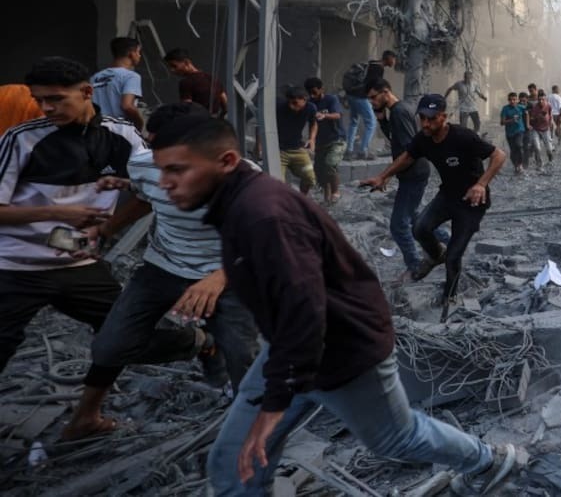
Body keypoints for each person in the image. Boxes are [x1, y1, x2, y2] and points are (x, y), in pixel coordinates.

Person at [149, 116, 524, 495]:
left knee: (395, 438)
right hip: (293, 350)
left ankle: (488, 460)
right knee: (233, 462)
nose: (165, 183)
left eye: (177, 170)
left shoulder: (264, 216)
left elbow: (306, 311)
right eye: (161, 170)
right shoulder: (239, 206)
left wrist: (273, 408)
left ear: (227, 161)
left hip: (345, 350)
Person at [0, 56, 196, 441]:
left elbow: (151, 189)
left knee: (126, 337)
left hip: (79, 265)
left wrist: (109, 227)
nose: (47, 108)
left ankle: (89, 415)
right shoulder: (20, 138)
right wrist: (58, 212)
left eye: (56, 99)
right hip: (15, 267)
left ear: (88, 93)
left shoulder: (121, 137)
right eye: (41, 100)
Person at [79, 102, 258, 421]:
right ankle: (200, 342)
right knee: (108, 347)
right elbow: (145, 199)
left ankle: (246, 426)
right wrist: (107, 228)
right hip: (161, 268)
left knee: (242, 357)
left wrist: (219, 278)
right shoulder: (144, 164)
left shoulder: (241, 176)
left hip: (226, 273)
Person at [359, 95, 506, 314]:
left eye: (432, 119)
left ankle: (450, 297)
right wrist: (383, 176)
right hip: (447, 195)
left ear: (443, 117)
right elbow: (407, 157)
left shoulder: (463, 136)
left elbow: (499, 155)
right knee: (419, 227)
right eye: (422, 119)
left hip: (472, 202)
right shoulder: (423, 138)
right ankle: (436, 254)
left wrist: (481, 184)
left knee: (454, 256)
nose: (426, 124)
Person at [366, 79, 433, 280]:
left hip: (414, 173)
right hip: (412, 173)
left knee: (398, 225)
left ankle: (415, 267)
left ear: (386, 92)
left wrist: (384, 175)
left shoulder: (399, 111)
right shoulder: (397, 111)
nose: (371, 102)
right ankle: (448, 241)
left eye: (373, 97)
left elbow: (408, 151)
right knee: (415, 218)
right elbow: (396, 138)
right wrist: (381, 120)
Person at [344, 50, 397, 160]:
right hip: (361, 97)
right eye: (394, 59)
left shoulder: (372, 63)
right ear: (389, 58)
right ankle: (363, 151)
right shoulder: (379, 68)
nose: (394, 62)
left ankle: (349, 151)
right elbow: (373, 86)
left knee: (353, 122)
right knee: (371, 122)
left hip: (351, 94)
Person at [90, 36, 146, 131]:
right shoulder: (131, 76)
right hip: (119, 130)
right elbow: (127, 106)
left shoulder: (95, 77)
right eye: (138, 52)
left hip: (96, 128)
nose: (139, 56)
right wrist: (139, 125)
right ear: (131, 54)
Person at [305, 78, 345, 204]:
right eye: (310, 93)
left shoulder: (331, 99)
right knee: (319, 171)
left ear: (321, 89)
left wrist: (325, 115)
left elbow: (338, 115)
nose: (312, 95)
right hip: (320, 142)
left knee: (330, 164)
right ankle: (327, 198)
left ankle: (336, 192)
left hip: (337, 139)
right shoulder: (309, 103)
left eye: (314, 92)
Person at [274, 88, 317, 196]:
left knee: (310, 177)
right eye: (289, 102)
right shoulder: (279, 107)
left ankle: (302, 199)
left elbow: (314, 123)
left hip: (297, 149)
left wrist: (312, 139)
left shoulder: (310, 108)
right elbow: (261, 125)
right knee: (278, 184)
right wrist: (259, 146)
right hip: (278, 150)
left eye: (295, 103)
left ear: (304, 100)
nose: (291, 106)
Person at [164, 48, 227, 116]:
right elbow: (224, 101)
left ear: (186, 62)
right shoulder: (212, 78)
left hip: (200, 122)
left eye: (174, 66)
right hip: (215, 121)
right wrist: (221, 116)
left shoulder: (186, 83)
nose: (172, 70)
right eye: (170, 67)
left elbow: (186, 108)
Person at [525, 83, 554, 169]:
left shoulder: (548, 106)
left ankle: (550, 160)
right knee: (537, 148)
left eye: (543, 99)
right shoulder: (534, 107)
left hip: (545, 129)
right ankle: (539, 164)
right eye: (539, 100)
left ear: (545, 99)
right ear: (537, 100)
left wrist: (551, 131)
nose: (541, 101)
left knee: (549, 149)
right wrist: (537, 118)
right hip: (535, 129)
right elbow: (531, 118)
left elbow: (550, 118)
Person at [499, 92, 527, 176]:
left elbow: (528, 113)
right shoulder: (505, 109)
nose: (512, 101)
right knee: (513, 150)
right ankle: (516, 166)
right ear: (508, 100)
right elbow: (502, 122)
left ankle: (520, 165)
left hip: (519, 131)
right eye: (510, 100)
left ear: (517, 100)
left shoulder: (521, 107)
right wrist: (511, 120)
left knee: (519, 145)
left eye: (514, 99)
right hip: (510, 133)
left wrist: (528, 124)